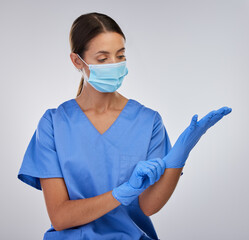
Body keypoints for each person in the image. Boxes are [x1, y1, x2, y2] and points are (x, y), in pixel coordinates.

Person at [17, 12, 232, 240]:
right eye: (102, 59)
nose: (114, 65)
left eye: (120, 56)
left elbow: (148, 207)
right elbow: (60, 217)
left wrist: (177, 159)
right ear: (77, 61)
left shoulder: (148, 121)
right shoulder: (54, 123)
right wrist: (121, 193)